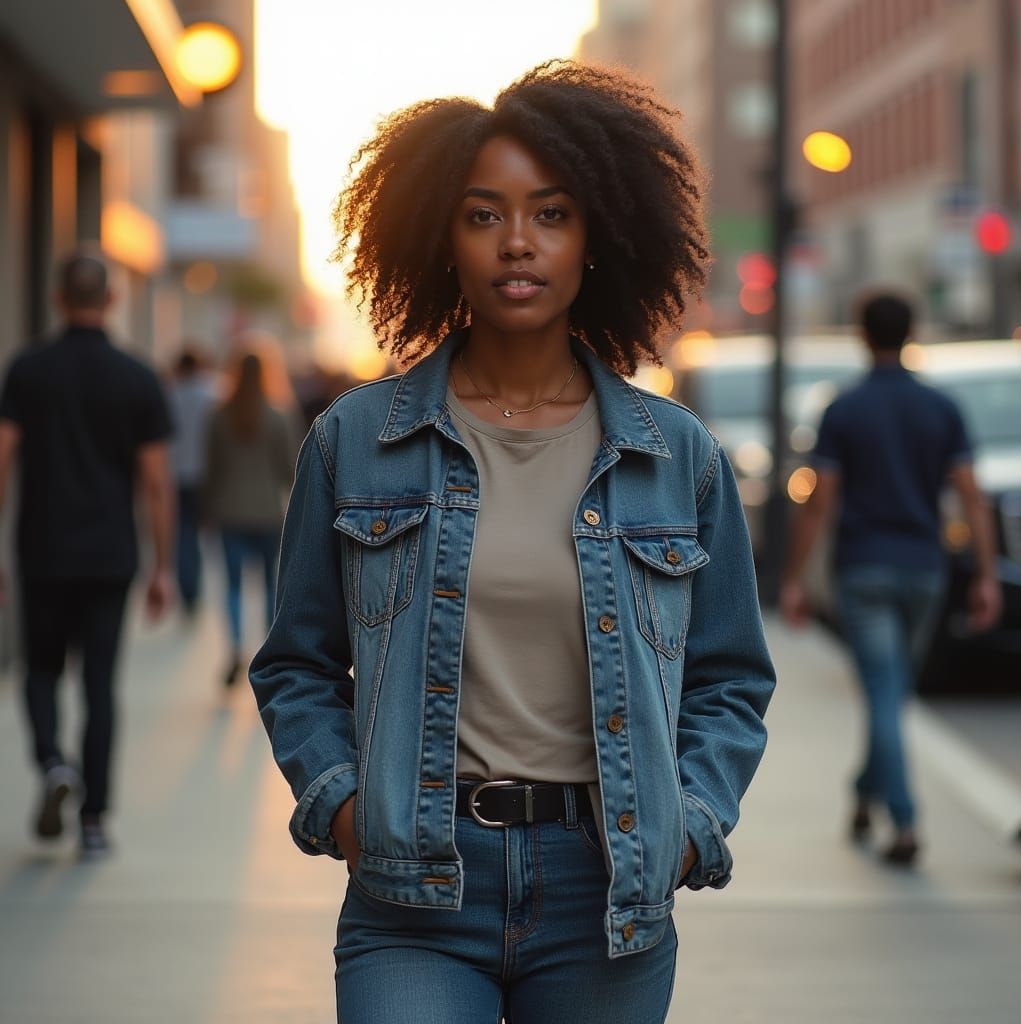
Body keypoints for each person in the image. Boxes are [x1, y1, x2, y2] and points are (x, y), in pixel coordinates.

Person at [250, 61, 775, 1024]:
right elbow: (297, 664)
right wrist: (347, 809)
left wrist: (689, 828)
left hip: (606, 891)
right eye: (484, 214)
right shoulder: (358, 443)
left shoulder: (676, 455)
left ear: (598, 239)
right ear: (440, 238)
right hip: (413, 888)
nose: (518, 243)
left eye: (552, 213)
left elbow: (731, 678)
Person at [782, 292, 1001, 866]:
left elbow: (819, 504)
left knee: (884, 691)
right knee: (891, 691)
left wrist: (796, 578)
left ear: (862, 335)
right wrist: (985, 574)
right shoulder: (940, 408)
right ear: (911, 333)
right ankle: (880, 802)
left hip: (863, 568)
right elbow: (972, 497)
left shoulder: (844, 408)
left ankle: (893, 814)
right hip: (925, 571)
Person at [0, 248, 174, 856]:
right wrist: (162, 567)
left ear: (56, 299)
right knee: (100, 684)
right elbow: (155, 481)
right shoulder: (137, 377)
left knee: (40, 670)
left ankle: (52, 763)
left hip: (42, 548)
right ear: (113, 299)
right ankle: (94, 821)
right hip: (109, 554)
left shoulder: (27, 370)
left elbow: (2, 457)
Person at [203, 343, 297, 687]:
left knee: (232, 585)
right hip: (268, 513)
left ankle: (235, 649)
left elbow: (210, 468)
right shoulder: (278, 415)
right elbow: (290, 469)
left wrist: (205, 508)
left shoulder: (218, 415)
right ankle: (270, 654)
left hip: (229, 511)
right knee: (271, 586)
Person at [166, 345, 219, 614]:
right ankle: (194, 586)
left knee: (182, 533)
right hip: (205, 475)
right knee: (199, 533)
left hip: (174, 474)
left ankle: (188, 590)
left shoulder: (169, 395)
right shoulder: (211, 394)